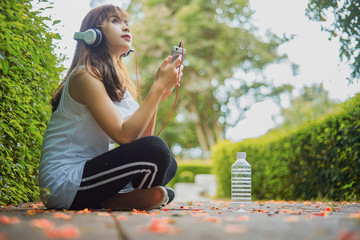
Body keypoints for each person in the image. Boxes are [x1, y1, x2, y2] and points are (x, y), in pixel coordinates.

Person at [39, 4, 183, 211]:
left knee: (168, 161)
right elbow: (124, 136)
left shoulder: (117, 84)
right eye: (116, 21)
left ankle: (117, 198)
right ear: (93, 35)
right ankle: (121, 197)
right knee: (156, 150)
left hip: (90, 176)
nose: (126, 28)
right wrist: (157, 88)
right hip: (63, 183)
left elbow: (141, 138)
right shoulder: (84, 77)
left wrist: (158, 97)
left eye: (126, 23)